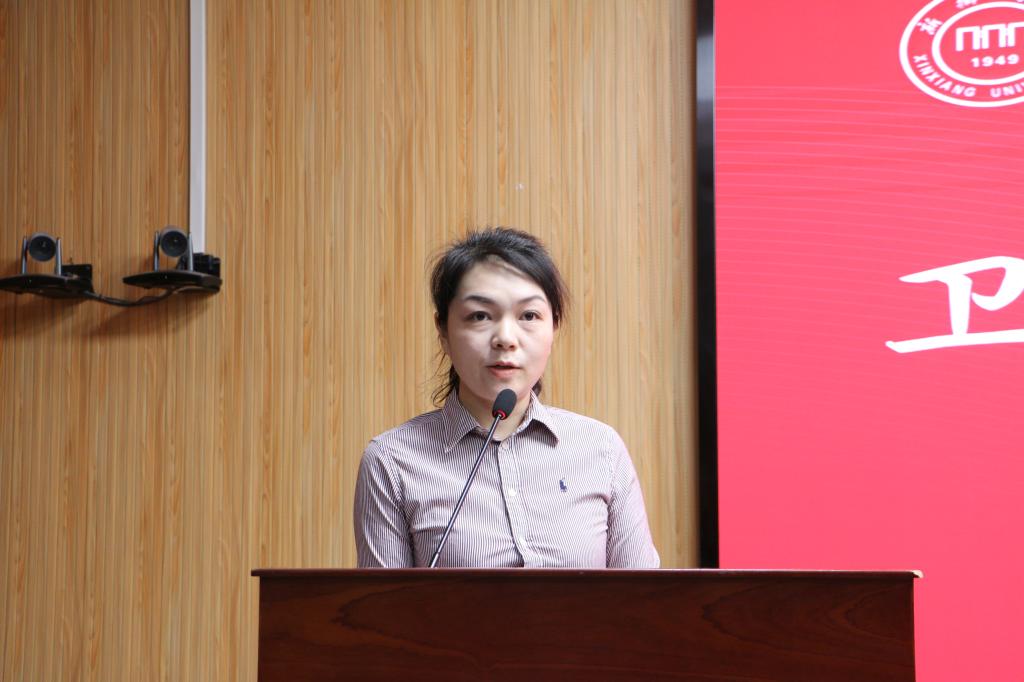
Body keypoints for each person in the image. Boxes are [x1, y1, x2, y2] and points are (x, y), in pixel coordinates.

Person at [354, 227, 660, 568]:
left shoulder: (601, 450)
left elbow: (643, 596)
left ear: (553, 327)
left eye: (529, 316)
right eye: (480, 316)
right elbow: (387, 603)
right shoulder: (392, 462)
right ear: (443, 331)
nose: (505, 338)